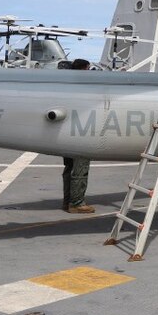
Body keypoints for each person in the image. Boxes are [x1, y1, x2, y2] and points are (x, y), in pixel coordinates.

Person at [62, 58, 95, 213]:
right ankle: (77, 203)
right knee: (80, 167)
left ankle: (67, 201)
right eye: (87, 69)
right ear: (83, 69)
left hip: (65, 133)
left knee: (69, 168)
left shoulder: (67, 85)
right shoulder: (82, 86)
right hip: (79, 131)